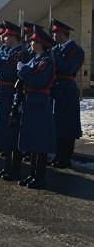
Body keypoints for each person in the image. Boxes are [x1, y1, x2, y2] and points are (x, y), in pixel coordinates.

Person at [17, 26, 57, 189]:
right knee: (33, 141)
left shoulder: (46, 62)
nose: (30, 42)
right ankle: (33, 173)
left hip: (40, 102)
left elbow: (37, 82)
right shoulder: (35, 59)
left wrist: (24, 71)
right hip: (32, 102)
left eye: (33, 40)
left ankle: (39, 176)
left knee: (40, 143)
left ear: (39, 43)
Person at [0, 21, 24, 180]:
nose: (3, 37)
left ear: (13, 37)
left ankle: (13, 167)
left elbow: (10, 73)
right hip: (1, 93)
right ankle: (7, 165)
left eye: (6, 35)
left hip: (10, 94)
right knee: (2, 131)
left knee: (11, 133)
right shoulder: (6, 50)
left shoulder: (19, 53)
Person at [50, 18, 85, 168]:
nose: (53, 36)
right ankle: (58, 155)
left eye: (55, 33)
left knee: (68, 126)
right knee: (57, 125)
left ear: (62, 33)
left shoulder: (76, 50)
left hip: (67, 90)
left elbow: (68, 69)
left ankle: (66, 157)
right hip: (56, 90)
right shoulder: (56, 49)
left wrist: (54, 58)